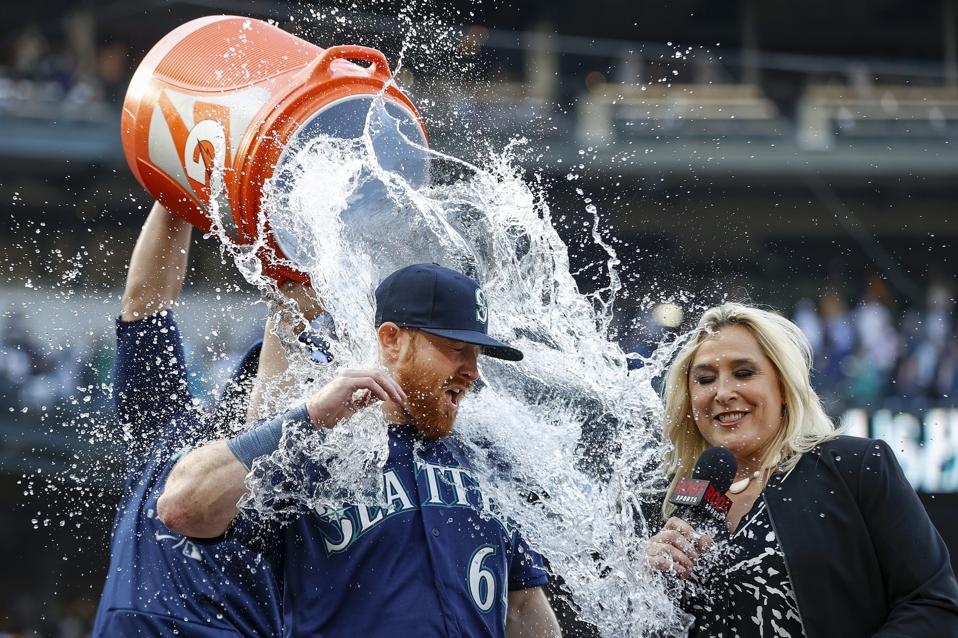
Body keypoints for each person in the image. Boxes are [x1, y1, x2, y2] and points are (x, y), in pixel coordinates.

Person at [158, 263, 562, 637]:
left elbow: (523, 608)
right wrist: (313, 414)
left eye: (476, 354)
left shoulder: (486, 458)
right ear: (392, 340)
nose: (472, 371)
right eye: (456, 349)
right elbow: (181, 506)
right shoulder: (321, 448)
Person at [643, 302, 958, 638]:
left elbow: (933, 603)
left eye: (744, 373)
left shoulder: (854, 468)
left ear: (782, 385)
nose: (722, 392)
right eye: (705, 379)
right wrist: (642, 586)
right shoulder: (664, 502)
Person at [93, 202, 283, 636]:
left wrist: (290, 280)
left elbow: (268, 418)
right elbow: (145, 304)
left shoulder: (290, 466)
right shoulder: (166, 429)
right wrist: (174, 187)